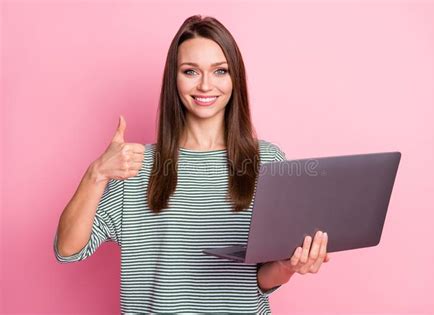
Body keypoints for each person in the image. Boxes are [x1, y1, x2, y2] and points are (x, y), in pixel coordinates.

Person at [53, 14, 330, 314]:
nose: (206, 85)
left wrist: (288, 266)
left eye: (220, 71)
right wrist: (97, 173)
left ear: (235, 78)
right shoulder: (135, 165)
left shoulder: (267, 162)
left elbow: (261, 278)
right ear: (174, 78)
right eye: (190, 71)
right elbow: (68, 250)